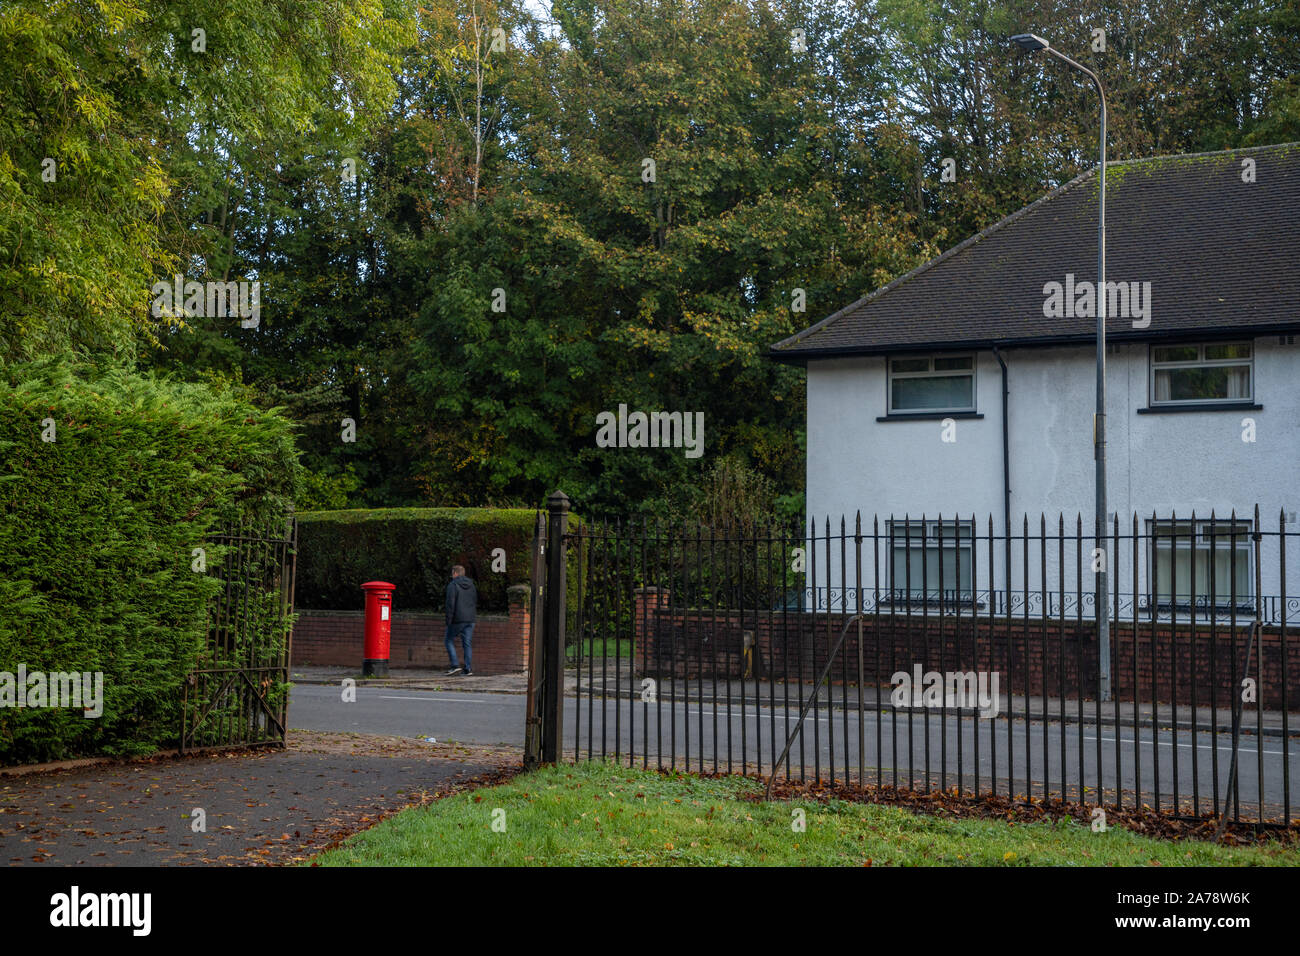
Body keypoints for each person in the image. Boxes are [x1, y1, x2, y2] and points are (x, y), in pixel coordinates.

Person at [444, 565, 477, 676]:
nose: (452, 575)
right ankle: (468, 669)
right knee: (467, 643)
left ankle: (455, 665)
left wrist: (449, 620)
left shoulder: (453, 585)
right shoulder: (471, 585)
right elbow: (474, 600)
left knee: (448, 640)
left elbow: (450, 604)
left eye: (452, 573)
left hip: (458, 619)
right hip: (470, 619)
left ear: (455, 573)